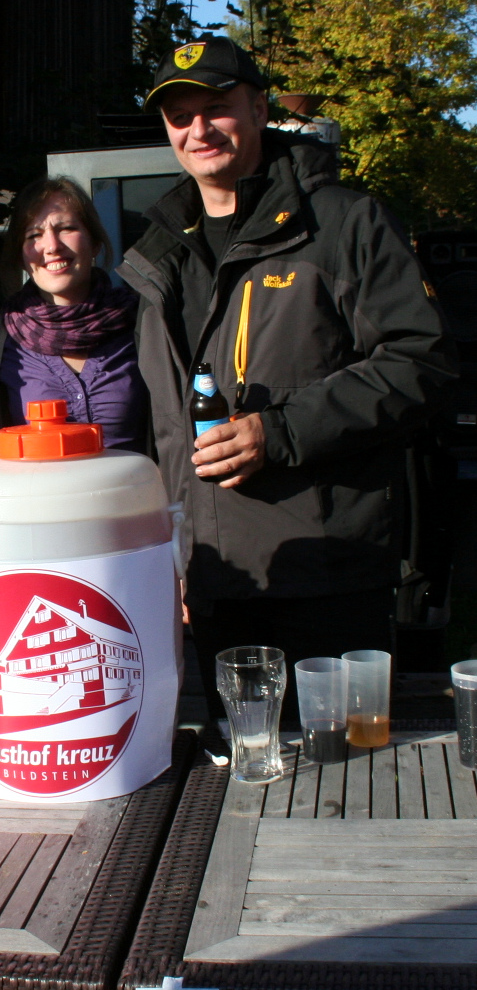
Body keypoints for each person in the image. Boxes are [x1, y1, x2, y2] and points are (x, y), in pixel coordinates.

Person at [117, 36, 458, 719]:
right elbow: (164, 426)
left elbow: (422, 359)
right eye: (179, 116)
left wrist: (281, 432)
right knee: (243, 769)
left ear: (259, 107)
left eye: (217, 107)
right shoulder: (156, 253)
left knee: (343, 768)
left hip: (327, 576)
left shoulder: (342, 224)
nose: (198, 129)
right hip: (218, 579)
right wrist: (173, 556)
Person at [0, 177, 148, 452]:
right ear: (21, 255)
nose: (52, 246)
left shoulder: (141, 323)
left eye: (66, 228)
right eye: (34, 235)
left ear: (94, 242)